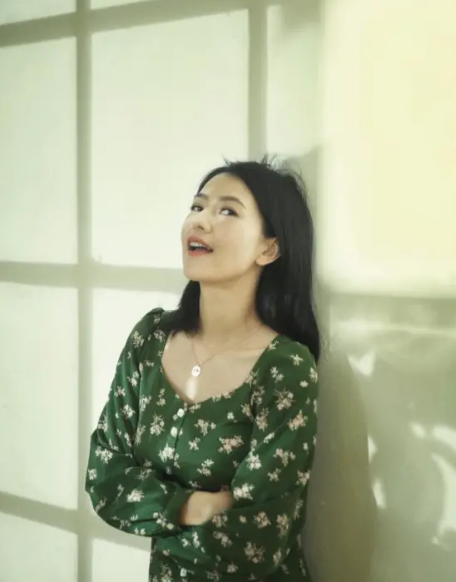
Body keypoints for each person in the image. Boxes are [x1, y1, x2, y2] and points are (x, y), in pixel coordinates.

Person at [85, 158, 321, 582]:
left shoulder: (285, 368)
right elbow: (105, 479)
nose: (200, 221)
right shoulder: (151, 339)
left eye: (227, 210)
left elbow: (259, 541)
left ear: (269, 248)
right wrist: (194, 507)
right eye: (197, 206)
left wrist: (155, 512)